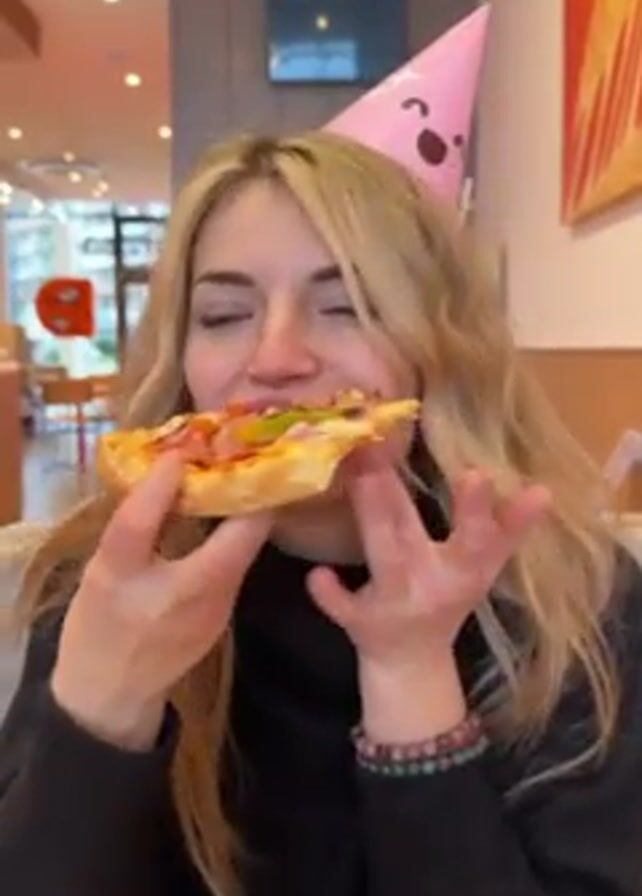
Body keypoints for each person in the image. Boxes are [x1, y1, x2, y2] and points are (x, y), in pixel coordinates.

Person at [1, 132, 641, 896]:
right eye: (223, 314)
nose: (276, 358)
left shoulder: (575, 594)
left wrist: (411, 681)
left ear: (439, 350)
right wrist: (100, 707)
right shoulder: (103, 581)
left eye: (346, 308)